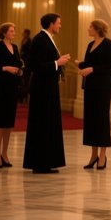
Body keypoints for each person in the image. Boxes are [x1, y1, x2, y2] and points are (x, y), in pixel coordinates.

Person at [23, 13, 70, 174]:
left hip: (48, 87)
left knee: (48, 123)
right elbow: (35, 65)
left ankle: (47, 162)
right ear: (51, 24)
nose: (60, 26)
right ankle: (40, 163)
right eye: (58, 23)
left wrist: (58, 61)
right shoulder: (40, 39)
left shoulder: (46, 38)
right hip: (42, 89)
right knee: (42, 124)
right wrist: (58, 63)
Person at [76, 19, 111, 170]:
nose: (88, 29)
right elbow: (89, 64)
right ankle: (93, 155)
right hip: (91, 87)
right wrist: (81, 65)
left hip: (103, 87)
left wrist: (91, 69)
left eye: (90, 27)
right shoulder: (90, 45)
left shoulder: (108, 44)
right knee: (91, 121)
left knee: (101, 120)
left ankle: (103, 156)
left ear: (97, 29)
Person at [0, 22, 23, 169]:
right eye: (11, 30)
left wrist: (19, 69)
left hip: (12, 87)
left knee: (8, 123)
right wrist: (4, 68)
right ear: (4, 33)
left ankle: (5, 154)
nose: (14, 32)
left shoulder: (15, 47)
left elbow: (18, 64)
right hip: (0, 87)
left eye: (14, 30)